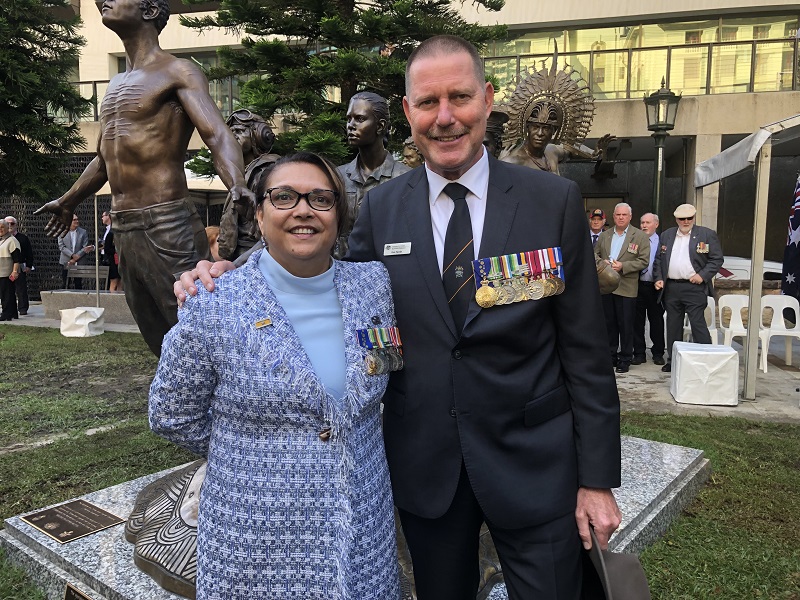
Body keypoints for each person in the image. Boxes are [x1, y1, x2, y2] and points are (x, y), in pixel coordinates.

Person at [178, 35, 622, 600]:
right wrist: (226, 273)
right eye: (428, 103)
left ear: (486, 100)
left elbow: (586, 351)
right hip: (427, 471)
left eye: (459, 98)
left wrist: (596, 480)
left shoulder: (551, 201)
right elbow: (329, 278)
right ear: (408, 112)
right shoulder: (385, 208)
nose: (445, 118)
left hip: (536, 468)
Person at [150, 152, 400, 599]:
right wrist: (251, 452)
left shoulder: (373, 286)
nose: (303, 209)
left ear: (338, 216)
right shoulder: (214, 302)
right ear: (260, 216)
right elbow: (172, 414)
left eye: (321, 199)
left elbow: (380, 377)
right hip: (255, 545)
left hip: (362, 540)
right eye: (284, 197)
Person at [34, 0, 253, 357]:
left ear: (150, 10)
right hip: (124, 226)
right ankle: (179, 402)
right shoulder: (117, 83)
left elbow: (217, 134)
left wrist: (237, 182)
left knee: (196, 323)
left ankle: (228, 403)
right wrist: (69, 199)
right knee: (156, 332)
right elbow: (106, 159)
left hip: (167, 223)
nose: (102, 1)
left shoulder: (179, 71)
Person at [336, 91, 410, 258]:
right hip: (343, 272)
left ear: (380, 126)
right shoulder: (337, 177)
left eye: (360, 119)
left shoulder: (405, 178)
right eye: (349, 119)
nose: (350, 125)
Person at [654, 203, 724, 372]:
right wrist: (658, 278)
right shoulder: (667, 235)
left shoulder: (706, 234)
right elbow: (658, 260)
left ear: (694, 217)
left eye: (689, 218)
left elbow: (717, 259)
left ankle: (706, 358)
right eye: (682, 219)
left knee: (697, 323)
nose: (685, 221)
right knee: (673, 325)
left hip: (694, 287)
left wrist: (702, 275)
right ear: (676, 219)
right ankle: (673, 360)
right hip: (671, 287)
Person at [217, 109, 280, 261]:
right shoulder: (239, 174)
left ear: (258, 136)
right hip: (238, 256)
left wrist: (238, 264)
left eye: (239, 131)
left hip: (254, 258)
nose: (232, 136)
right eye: (230, 132)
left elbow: (271, 234)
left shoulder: (265, 172)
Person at [595, 203, 650, 373]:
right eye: (618, 214)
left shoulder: (639, 236)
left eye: (624, 215)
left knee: (626, 325)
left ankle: (625, 358)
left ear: (630, 217)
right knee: (608, 324)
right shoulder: (604, 235)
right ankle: (610, 356)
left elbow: (643, 260)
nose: (620, 217)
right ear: (613, 216)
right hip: (606, 286)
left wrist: (623, 266)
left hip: (626, 286)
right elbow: (594, 253)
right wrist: (601, 263)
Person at [633, 212, 665, 366]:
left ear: (656, 224)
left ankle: (658, 352)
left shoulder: (662, 242)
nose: (644, 226)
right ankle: (639, 353)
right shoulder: (636, 241)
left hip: (655, 286)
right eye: (642, 223)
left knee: (656, 320)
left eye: (647, 223)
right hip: (638, 285)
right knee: (637, 321)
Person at [4, 216, 33, 315]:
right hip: (6, 266)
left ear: (16, 225)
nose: (9, 225)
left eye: (12, 223)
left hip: (19, 266)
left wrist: (29, 265)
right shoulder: (2, 239)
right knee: (7, 289)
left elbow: (29, 253)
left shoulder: (22, 238)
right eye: (7, 223)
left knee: (21, 288)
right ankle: (9, 308)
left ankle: (23, 308)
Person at [57, 215, 93, 289]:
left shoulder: (83, 232)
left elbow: (85, 247)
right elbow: (61, 246)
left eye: (77, 219)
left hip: (79, 261)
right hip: (66, 261)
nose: (77, 221)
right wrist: (72, 255)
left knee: (78, 283)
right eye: (74, 220)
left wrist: (75, 258)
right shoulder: (62, 231)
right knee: (65, 283)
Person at [0, 220, 22, 321]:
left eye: (2, 227)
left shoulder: (12, 240)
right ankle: (13, 313)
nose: (0, 229)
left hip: (7, 272)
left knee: (6, 294)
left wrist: (14, 271)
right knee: (8, 294)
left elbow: (17, 258)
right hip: (1, 271)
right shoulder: (1, 240)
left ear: (7, 228)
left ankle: (6, 314)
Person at [99, 211, 122, 291]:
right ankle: (111, 299)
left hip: (119, 261)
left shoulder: (118, 232)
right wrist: (116, 251)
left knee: (120, 281)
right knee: (114, 280)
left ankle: (119, 298)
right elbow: (107, 249)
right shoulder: (110, 233)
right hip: (112, 261)